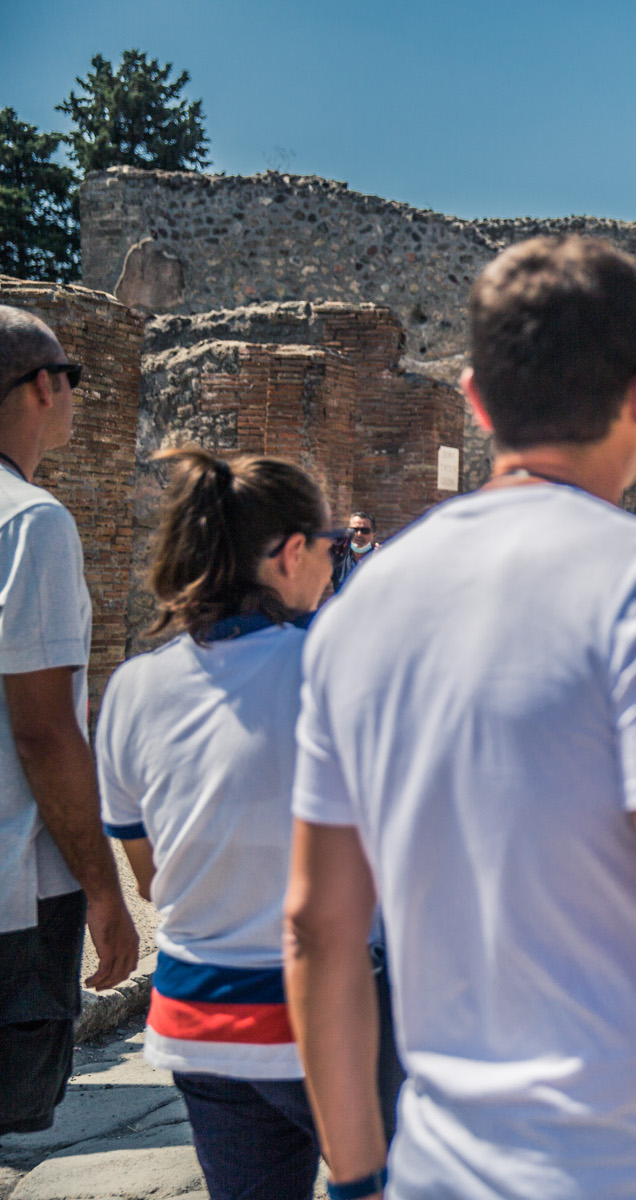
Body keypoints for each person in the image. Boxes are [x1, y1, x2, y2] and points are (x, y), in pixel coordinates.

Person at [283, 236, 636, 1200]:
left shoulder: (360, 608)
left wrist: (354, 1176)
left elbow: (314, 928)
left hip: (441, 1168)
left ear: (475, 397)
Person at [98, 449, 343, 1199]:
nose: (336, 569)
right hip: (320, 1015)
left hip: (198, 1018)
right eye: (335, 549)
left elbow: (149, 873)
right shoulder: (332, 669)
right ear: (292, 553)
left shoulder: (133, 689)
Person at [0, 308, 138, 1136]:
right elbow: (45, 732)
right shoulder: (30, 524)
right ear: (45, 386)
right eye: (73, 378)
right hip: (14, 891)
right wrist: (103, 889)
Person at [328, 513, 379, 594]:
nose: (359, 534)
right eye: (354, 530)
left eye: (365, 531)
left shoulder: (381, 559)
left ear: (374, 534)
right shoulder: (339, 558)